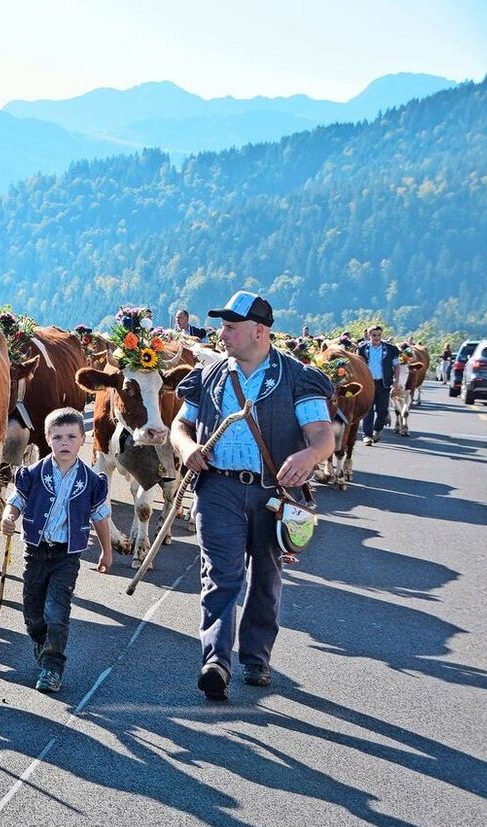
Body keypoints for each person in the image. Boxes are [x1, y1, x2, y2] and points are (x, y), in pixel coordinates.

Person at [171, 292, 334, 700]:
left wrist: (310, 453)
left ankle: (256, 658)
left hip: (273, 493)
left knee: (266, 577)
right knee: (220, 575)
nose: (221, 334)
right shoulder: (209, 376)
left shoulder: (297, 377)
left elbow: (322, 435)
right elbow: (180, 425)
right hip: (219, 488)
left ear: (259, 331)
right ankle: (216, 661)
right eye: (222, 326)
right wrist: (186, 448)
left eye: (230, 327)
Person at [0, 407, 113, 694]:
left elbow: (101, 517)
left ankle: (52, 666)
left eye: (72, 436)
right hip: (36, 552)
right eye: (58, 436)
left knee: (56, 611)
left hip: (67, 555)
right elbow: (17, 500)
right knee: (33, 612)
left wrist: (106, 551)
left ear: (83, 438)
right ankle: (40, 639)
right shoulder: (32, 474)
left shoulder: (92, 481)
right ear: (48, 439)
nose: (65, 442)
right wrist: (9, 516)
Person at [356, 326, 400, 445]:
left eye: (379, 335)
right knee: (368, 410)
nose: (377, 337)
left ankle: (378, 429)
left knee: (382, 410)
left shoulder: (391, 349)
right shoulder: (362, 349)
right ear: (369, 336)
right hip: (368, 383)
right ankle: (367, 435)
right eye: (374, 335)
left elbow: (396, 366)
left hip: (383, 383)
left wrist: (396, 382)